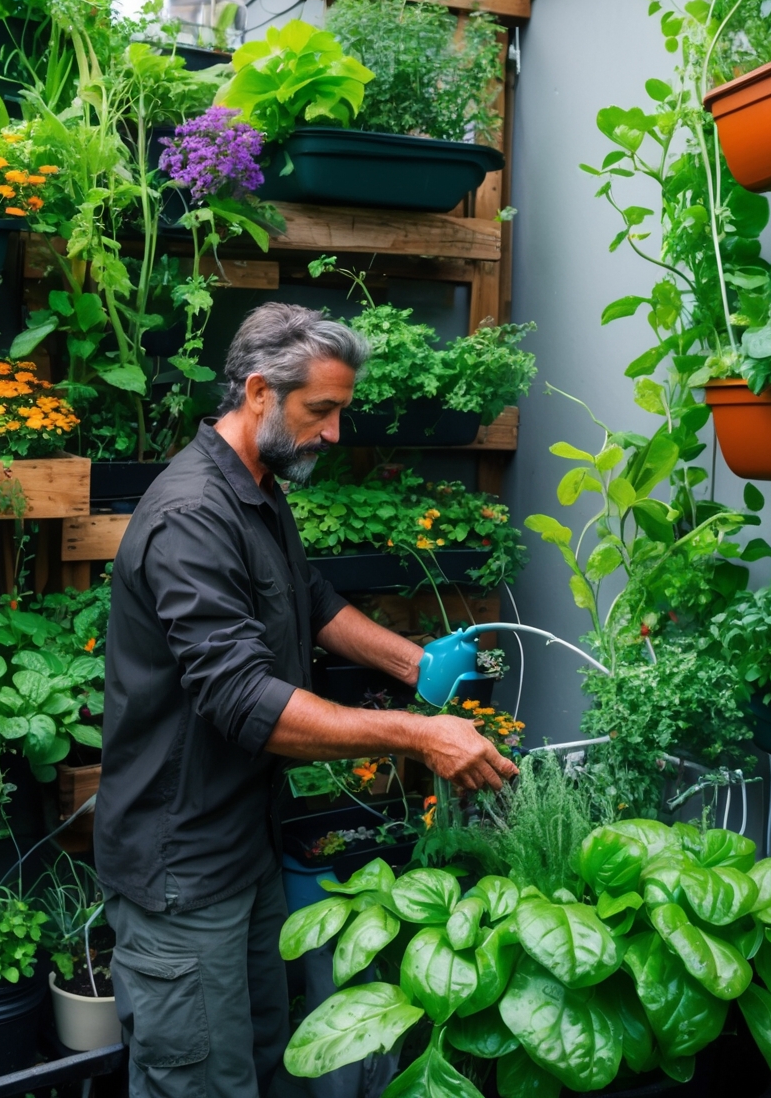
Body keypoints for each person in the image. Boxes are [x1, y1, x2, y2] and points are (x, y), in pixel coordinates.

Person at [96, 302, 519, 1098]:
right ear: (258, 391)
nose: (333, 433)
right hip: (181, 866)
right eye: (320, 411)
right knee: (199, 1084)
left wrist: (416, 665)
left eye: (339, 412)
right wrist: (420, 737)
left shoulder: (255, 486)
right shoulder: (192, 518)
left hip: (242, 843)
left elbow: (312, 600)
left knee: (255, 1060)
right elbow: (244, 701)